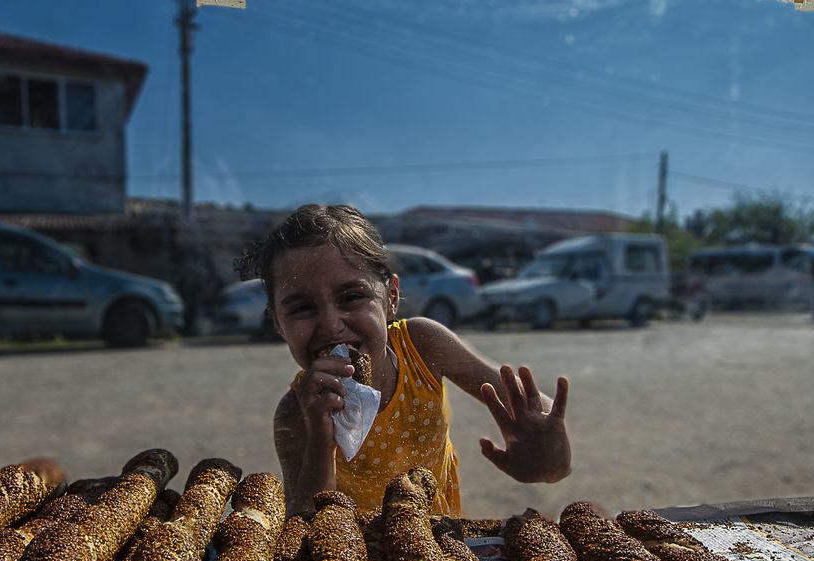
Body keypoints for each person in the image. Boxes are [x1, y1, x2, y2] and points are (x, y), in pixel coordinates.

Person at [239, 204, 571, 518]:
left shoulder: (421, 346)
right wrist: (321, 435)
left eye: (352, 297)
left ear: (391, 299)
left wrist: (546, 453)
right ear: (279, 323)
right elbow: (306, 524)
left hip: (437, 544)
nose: (330, 325)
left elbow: (534, 410)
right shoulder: (296, 412)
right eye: (302, 308)